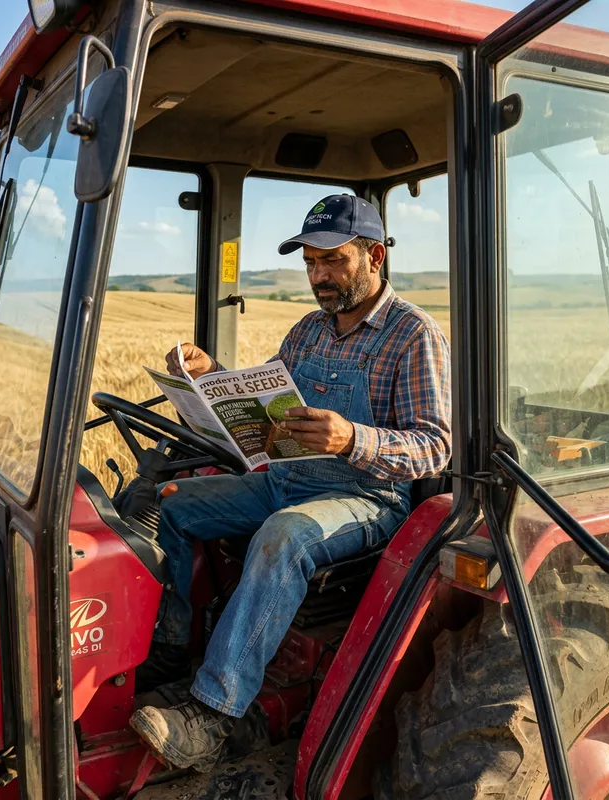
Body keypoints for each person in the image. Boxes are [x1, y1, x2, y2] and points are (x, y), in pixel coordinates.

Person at [130, 194, 451, 773]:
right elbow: (271, 405)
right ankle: (171, 650)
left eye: (332, 261)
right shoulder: (307, 332)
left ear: (374, 255)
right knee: (174, 504)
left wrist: (354, 438)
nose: (318, 276)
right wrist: (211, 380)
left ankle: (213, 715)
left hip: (365, 496)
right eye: (309, 263)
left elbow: (435, 445)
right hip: (286, 479)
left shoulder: (413, 335)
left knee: (283, 536)